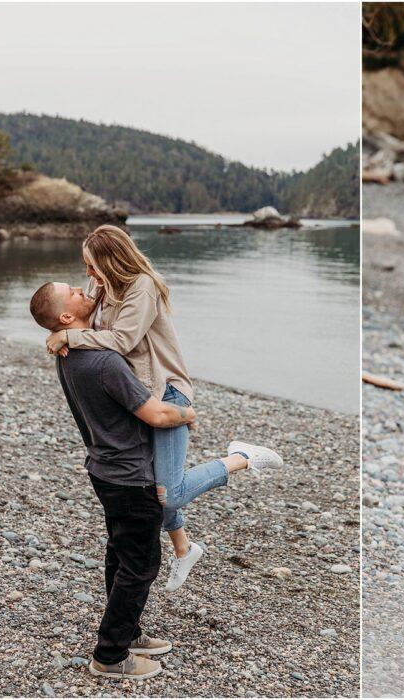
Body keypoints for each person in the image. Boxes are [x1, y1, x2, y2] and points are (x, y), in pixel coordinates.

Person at [44, 225, 283, 591]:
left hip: (167, 392)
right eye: (87, 267)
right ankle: (184, 549)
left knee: (168, 492)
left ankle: (243, 458)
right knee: (153, 487)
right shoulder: (102, 287)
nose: (88, 276)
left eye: (92, 266)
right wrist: (58, 333)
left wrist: (69, 336)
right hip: (138, 396)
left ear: (111, 261)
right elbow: (77, 319)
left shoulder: (143, 286)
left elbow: (122, 340)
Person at [29, 280, 194, 679]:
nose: (84, 290)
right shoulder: (103, 361)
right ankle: (110, 655)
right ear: (67, 316)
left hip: (105, 470)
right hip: (130, 474)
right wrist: (187, 415)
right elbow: (155, 415)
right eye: (75, 291)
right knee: (140, 565)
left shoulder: (68, 352)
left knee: (120, 555)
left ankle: (130, 632)